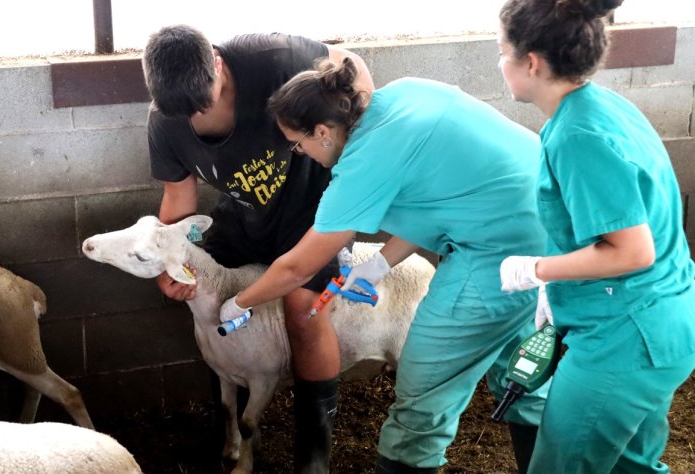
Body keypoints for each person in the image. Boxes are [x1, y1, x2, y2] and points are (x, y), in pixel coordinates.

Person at [219, 57, 550, 473]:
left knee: (422, 392)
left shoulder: (360, 164)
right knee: (522, 373)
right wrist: (378, 263)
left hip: (496, 254)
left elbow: (296, 269)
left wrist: (238, 304)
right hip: (546, 225)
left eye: (296, 143)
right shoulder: (405, 93)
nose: (298, 152)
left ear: (322, 132)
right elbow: (445, 197)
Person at [141, 25, 374, 473]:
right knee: (207, 291)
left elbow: (352, 63)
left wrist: (359, 152)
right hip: (247, 213)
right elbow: (178, 197)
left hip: (315, 207)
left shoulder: (273, 58)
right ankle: (232, 435)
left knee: (303, 309)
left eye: (203, 100)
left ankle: (313, 456)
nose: (196, 113)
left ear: (216, 60)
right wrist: (169, 259)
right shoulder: (165, 122)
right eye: (183, 110)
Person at [496, 1, 695, 473]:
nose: (499, 63)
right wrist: (558, 289)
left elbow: (631, 249)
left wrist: (536, 270)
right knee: (629, 466)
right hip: (657, 319)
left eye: (501, 52)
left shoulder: (577, 135)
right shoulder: (598, 106)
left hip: (625, 338)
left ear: (532, 63)